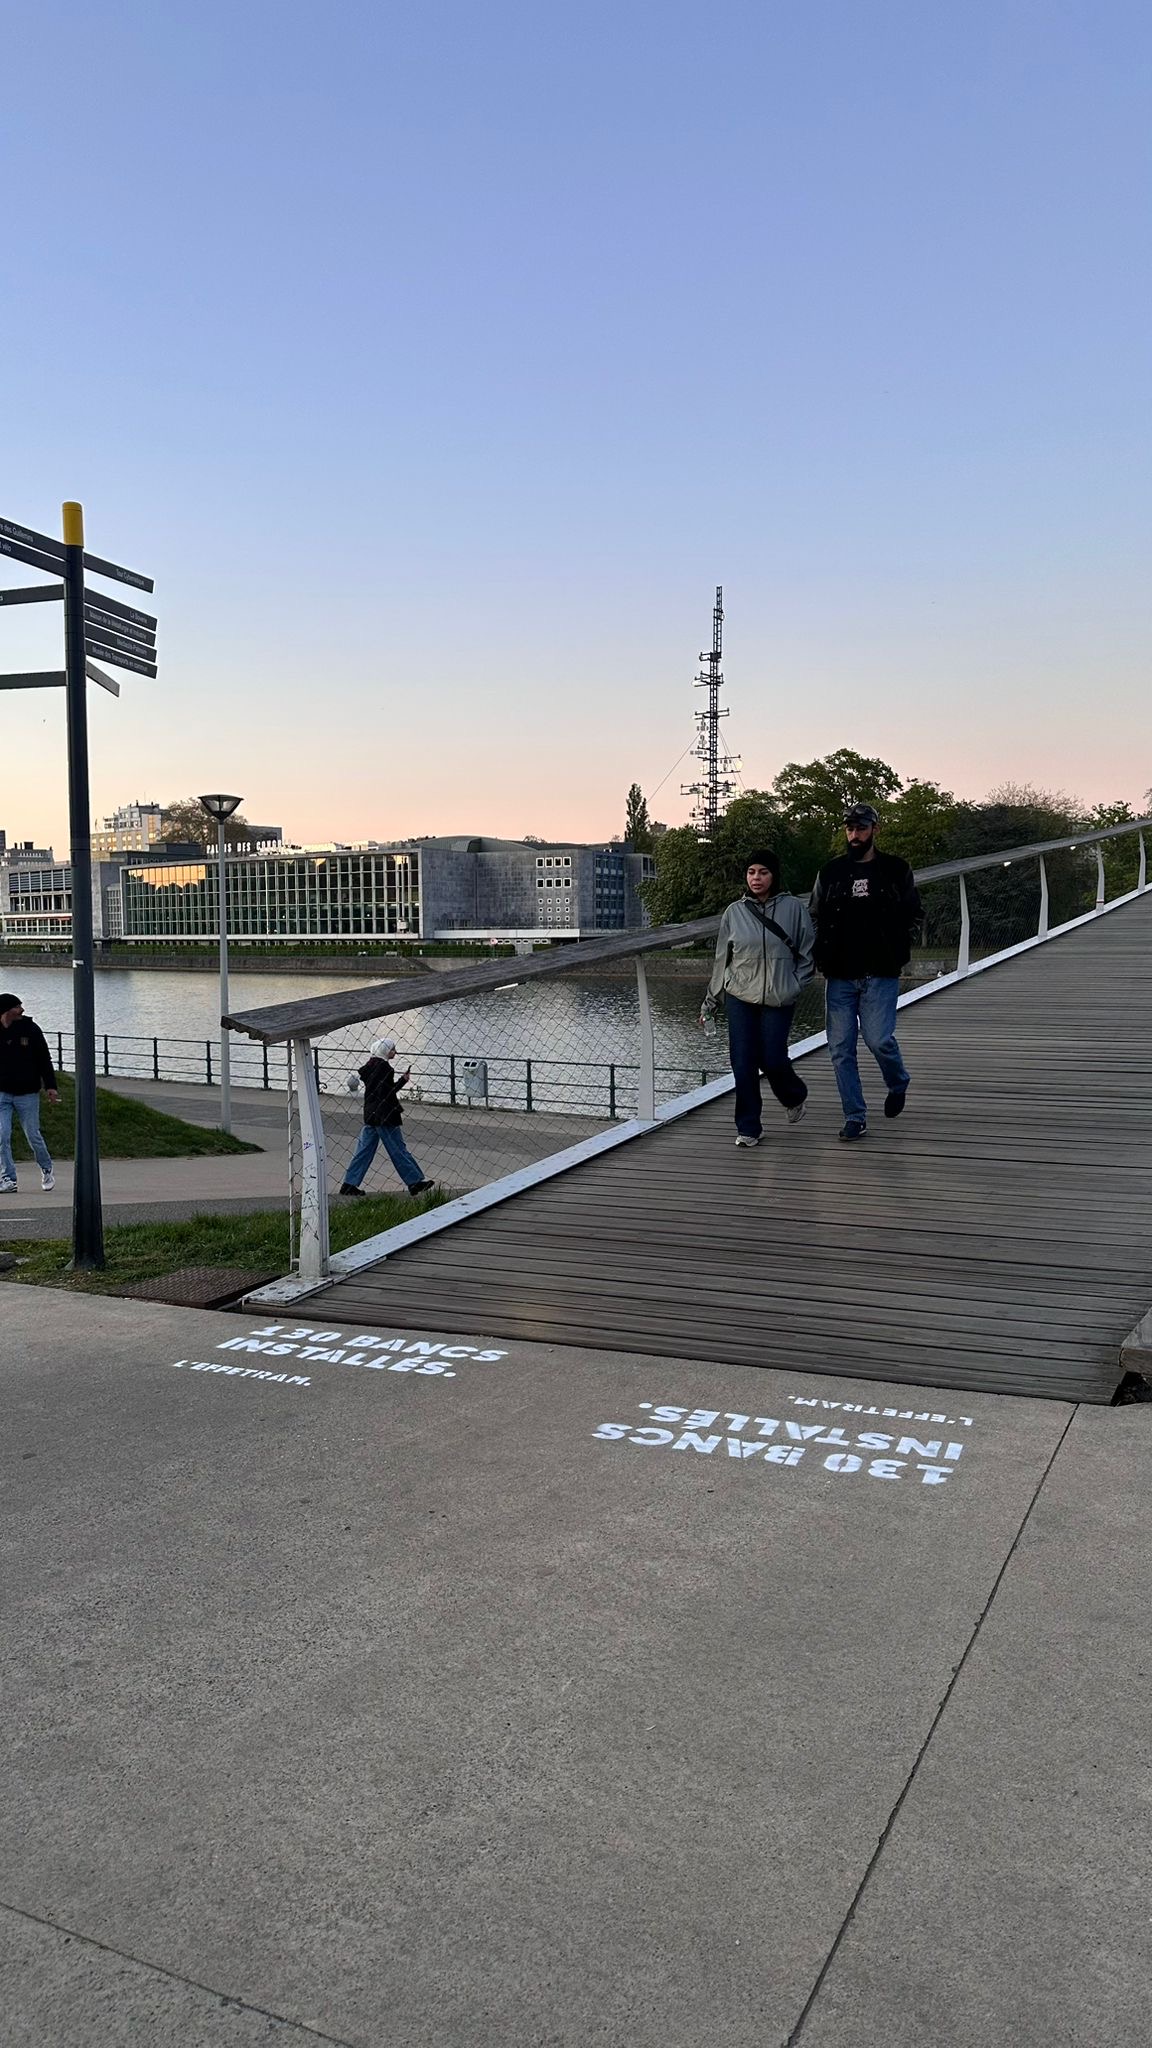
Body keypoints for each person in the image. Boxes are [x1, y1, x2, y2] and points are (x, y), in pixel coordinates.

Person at [809, 804, 922, 1142]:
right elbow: (814, 912)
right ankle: (855, 1116)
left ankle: (898, 1081)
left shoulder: (895, 869)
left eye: (860, 828)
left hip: (881, 971)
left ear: (874, 829)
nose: (854, 835)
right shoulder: (830, 872)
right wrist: (821, 951)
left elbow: (914, 912)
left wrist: (900, 948)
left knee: (878, 1039)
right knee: (840, 1048)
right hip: (840, 974)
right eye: (849, 829)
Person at [701, 850, 815, 1148]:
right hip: (740, 994)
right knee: (743, 1062)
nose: (756, 878)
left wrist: (794, 985)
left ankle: (794, 1096)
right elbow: (721, 960)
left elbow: (807, 954)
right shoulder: (734, 912)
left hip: (780, 994)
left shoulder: (793, 908)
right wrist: (711, 1001)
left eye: (763, 872)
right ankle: (749, 1127)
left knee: (773, 1057)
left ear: (774, 875)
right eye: (751, 872)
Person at [339, 1036, 434, 1197]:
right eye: (392, 1049)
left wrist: (401, 1081)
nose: (395, 1052)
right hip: (385, 1115)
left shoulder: (369, 1067)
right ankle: (414, 1182)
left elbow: (379, 1091)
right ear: (384, 1051)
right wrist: (402, 1082)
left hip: (371, 1113)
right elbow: (388, 1093)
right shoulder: (385, 1069)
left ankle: (349, 1184)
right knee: (398, 1149)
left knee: (364, 1150)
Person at [0, 994, 60, 1193]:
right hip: (2, 1093)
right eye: (18, 1006)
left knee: (33, 1135)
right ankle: (8, 1178)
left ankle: (46, 1168)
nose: (22, 1010)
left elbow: (44, 1058)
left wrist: (50, 1086)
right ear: (7, 1010)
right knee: (2, 1135)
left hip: (27, 1093)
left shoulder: (30, 1029)